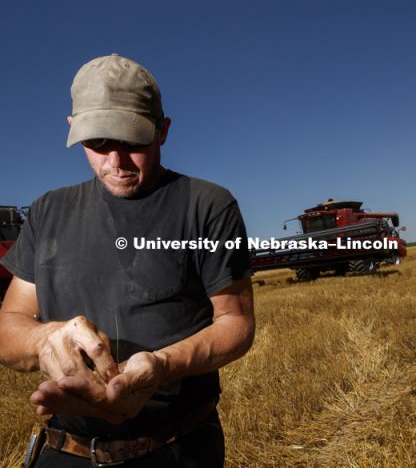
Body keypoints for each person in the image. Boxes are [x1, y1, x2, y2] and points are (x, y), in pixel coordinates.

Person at [0, 54, 255, 467]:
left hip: (177, 448)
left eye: (133, 142)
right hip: (66, 451)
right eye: (98, 143)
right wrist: (42, 340)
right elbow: (8, 324)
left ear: (163, 130)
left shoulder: (206, 205)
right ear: (73, 129)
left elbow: (236, 323)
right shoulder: (48, 211)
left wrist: (161, 365)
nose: (115, 163)